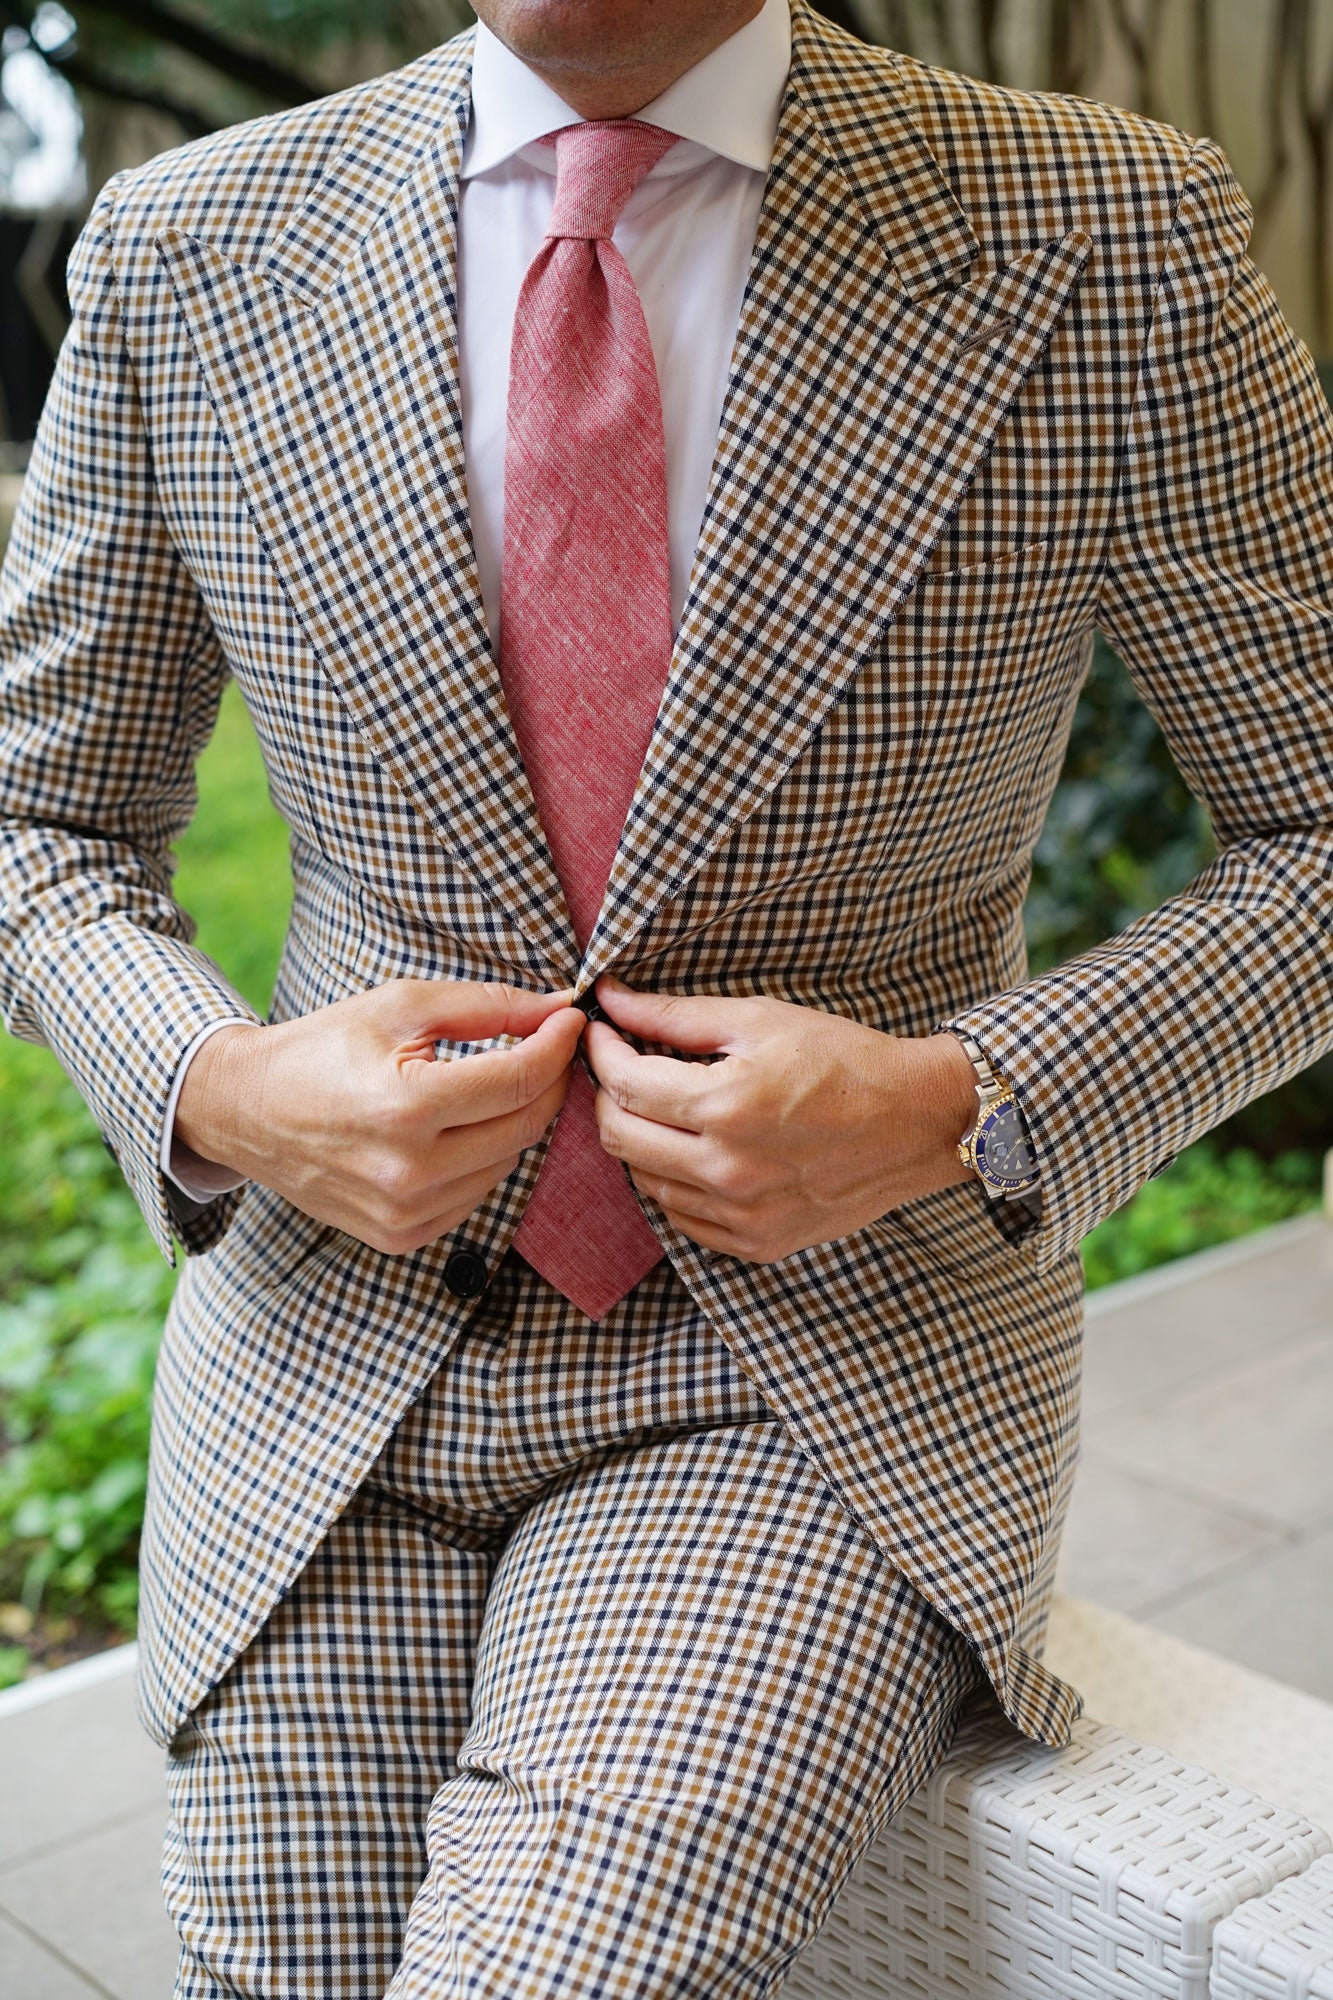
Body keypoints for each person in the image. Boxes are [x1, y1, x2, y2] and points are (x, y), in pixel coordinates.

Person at [1, 0, 1330, 1990]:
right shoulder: (191, 239)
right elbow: (39, 819)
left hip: (812, 1372)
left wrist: (959, 1097)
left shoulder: (1096, 229)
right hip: (319, 1363)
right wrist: (225, 1085)